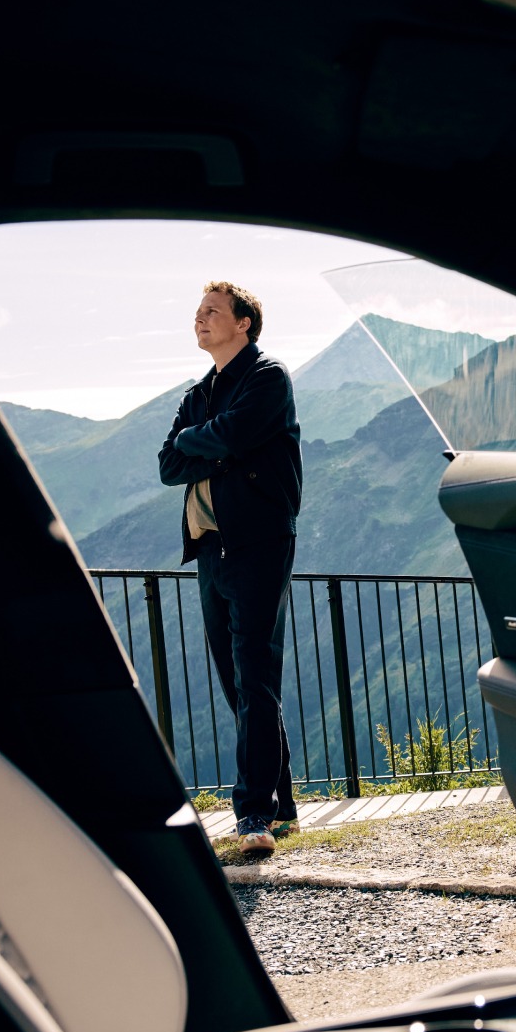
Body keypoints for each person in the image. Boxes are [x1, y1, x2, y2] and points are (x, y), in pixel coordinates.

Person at [157, 281, 303, 856]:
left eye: (212, 311)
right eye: (198, 312)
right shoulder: (200, 392)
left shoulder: (268, 377)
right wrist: (206, 441)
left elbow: (238, 432)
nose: (200, 319)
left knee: (253, 671)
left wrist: (202, 442)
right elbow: (169, 464)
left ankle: (252, 817)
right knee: (236, 679)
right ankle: (282, 807)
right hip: (211, 547)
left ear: (244, 323)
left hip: (258, 542)